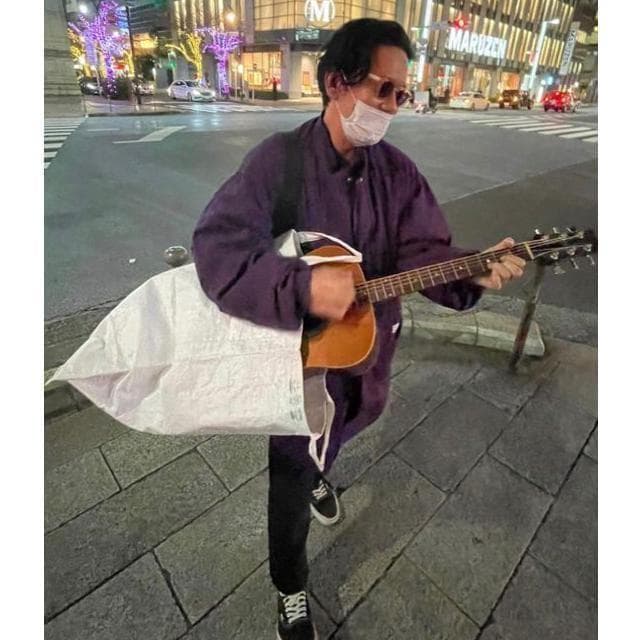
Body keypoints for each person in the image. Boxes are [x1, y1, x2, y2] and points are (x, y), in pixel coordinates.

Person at [192, 18, 525, 640]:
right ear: (335, 83)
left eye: (402, 93)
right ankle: (290, 586)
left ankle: (322, 472)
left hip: (367, 355)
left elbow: (424, 250)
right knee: (289, 474)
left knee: (347, 427)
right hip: (299, 361)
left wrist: (472, 270)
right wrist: (302, 287)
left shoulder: (397, 173)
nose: (393, 106)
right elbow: (219, 249)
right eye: (382, 89)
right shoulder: (278, 162)